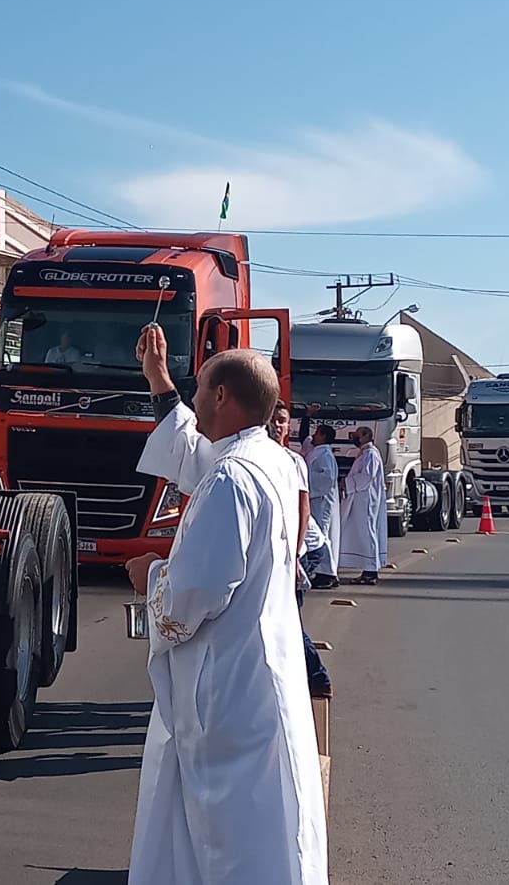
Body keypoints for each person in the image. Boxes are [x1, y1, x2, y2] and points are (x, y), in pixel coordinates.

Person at [124, 327, 329, 885]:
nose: (191, 400)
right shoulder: (274, 463)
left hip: (228, 694)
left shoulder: (232, 482)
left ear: (221, 397)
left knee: (225, 841)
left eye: (197, 391)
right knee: (268, 824)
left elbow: (192, 597)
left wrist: (152, 575)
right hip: (261, 681)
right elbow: (200, 460)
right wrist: (160, 383)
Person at [270, 401, 334, 699]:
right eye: (271, 419)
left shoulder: (293, 461)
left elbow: (302, 511)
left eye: (282, 420)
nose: (276, 425)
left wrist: (295, 557)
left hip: (305, 548)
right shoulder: (257, 457)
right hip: (280, 550)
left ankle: (316, 677)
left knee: (288, 619)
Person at [337, 426, 387, 585]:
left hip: (366, 500)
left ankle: (371, 571)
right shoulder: (364, 453)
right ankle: (367, 569)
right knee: (361, 532)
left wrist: (347, 482)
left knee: (367, 532)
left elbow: (367, 476)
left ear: (367, 436)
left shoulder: (371, 454)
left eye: (357, 435)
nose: (354, 438)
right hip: (360, 498)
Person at [304, 424, 342, 589]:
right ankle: (323, 571)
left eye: (317, 433)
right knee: (320, 533)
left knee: (322, 534)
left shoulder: (325, 454)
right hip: (315, 499)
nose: (314, 435)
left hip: (322, 500)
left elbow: (327, 478)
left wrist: (305, 476)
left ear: (324, 436)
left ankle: (328, 574)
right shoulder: (317, 451)